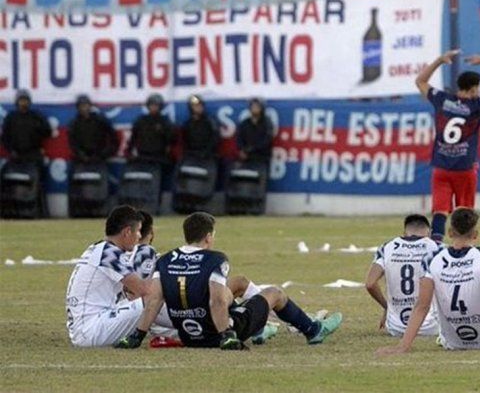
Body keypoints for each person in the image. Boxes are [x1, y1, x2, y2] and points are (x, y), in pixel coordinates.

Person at [115, 212, 343, 350]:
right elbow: (216, 301)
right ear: (208, 237)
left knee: (239, 283)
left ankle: (260, 329)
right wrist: (227, 336)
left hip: (188, 334)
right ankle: (313, 330)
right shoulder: (216, 258)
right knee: (275, 293)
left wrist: (137, 335)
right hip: (216, 333)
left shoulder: (164, 260)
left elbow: (154, 299)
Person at [376, 208, 480, 356]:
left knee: (437, 289)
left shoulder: (432, 258)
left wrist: (403, 346)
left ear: (450, 233)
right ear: (475, 235)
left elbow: (422, 305)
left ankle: (444, 333)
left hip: (452, 341)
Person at [415, 50, 480, 242]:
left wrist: (439, 61)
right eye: (479, 88)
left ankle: (436, 248)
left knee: (440, 210)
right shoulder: (477, 104)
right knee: (465, 211)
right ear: (474, 89)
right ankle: (464, 249)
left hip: (441, 167)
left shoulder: (442, 99)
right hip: (465, 168)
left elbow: (420, 81)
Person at [65, 205, 156, 347]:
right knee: (155, 297)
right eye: (138, 231)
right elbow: (142, 290)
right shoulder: (109, 253)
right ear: (127, 232)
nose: (139, 236)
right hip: (91, 330)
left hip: (86, 327)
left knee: (153, 299)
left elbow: (131, 291)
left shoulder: (100, 248)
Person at [365, 214, 440, 337]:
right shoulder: (436, 248)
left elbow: (370, 284)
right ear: (429, 232)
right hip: (430, 327)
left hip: (396, 327)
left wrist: (387, 307)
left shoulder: (386, 247)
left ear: (404, 232)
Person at [1, 90, 52, 216]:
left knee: (37, 177)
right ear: (17, 102)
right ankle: (7, 210)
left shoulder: (36, 117)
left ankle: (36, 211)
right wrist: (11, 151)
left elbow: (47, 131)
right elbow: (5, 138)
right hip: (15, 156)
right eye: (21, 100)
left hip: (33, 156)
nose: (23, 103)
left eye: (25, 100)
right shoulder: (11, 117)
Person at [234, 98, 274, 212]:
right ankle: (239, 206)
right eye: (253, 107)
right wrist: (242, 151)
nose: (255, 109)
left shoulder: (266, 123)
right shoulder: (245, 123)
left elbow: (267, 140)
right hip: (246, 158)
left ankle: (257, 207)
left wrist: (251, 150)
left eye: (257, 107)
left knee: (260, 183)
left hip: (261, 158)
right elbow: (239, 139)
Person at [127, 93, 176, 185]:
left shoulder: (165, 121)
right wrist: (129, 152)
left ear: (160, 107)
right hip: (143, 157)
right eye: (152, 105)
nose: (154, 107)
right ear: (148, 106)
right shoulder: (141, 120)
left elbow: (172, 140)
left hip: (159, 158)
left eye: (156, 105)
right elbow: (133, 138)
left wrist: (163, 131)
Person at [68, 94, 118, 164]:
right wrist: (81, 156)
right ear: (78, 108)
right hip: (81, 160)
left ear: (90, 106)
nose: (84, 108)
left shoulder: (100, 120)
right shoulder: (74, 123)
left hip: (100, 158)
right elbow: (72, 143)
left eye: (85, 105)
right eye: (81, 106)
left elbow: (114, 137)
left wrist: (104, 154)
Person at [181, 95, 220, 161]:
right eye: (196, 106)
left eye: (200, 105)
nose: (199, 107)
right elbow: (185, 141)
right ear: (191, 108)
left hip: (208, 155)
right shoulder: (187, 123)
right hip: (191, 155)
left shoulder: (210, 121)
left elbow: (215, 138)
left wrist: (206, 152)